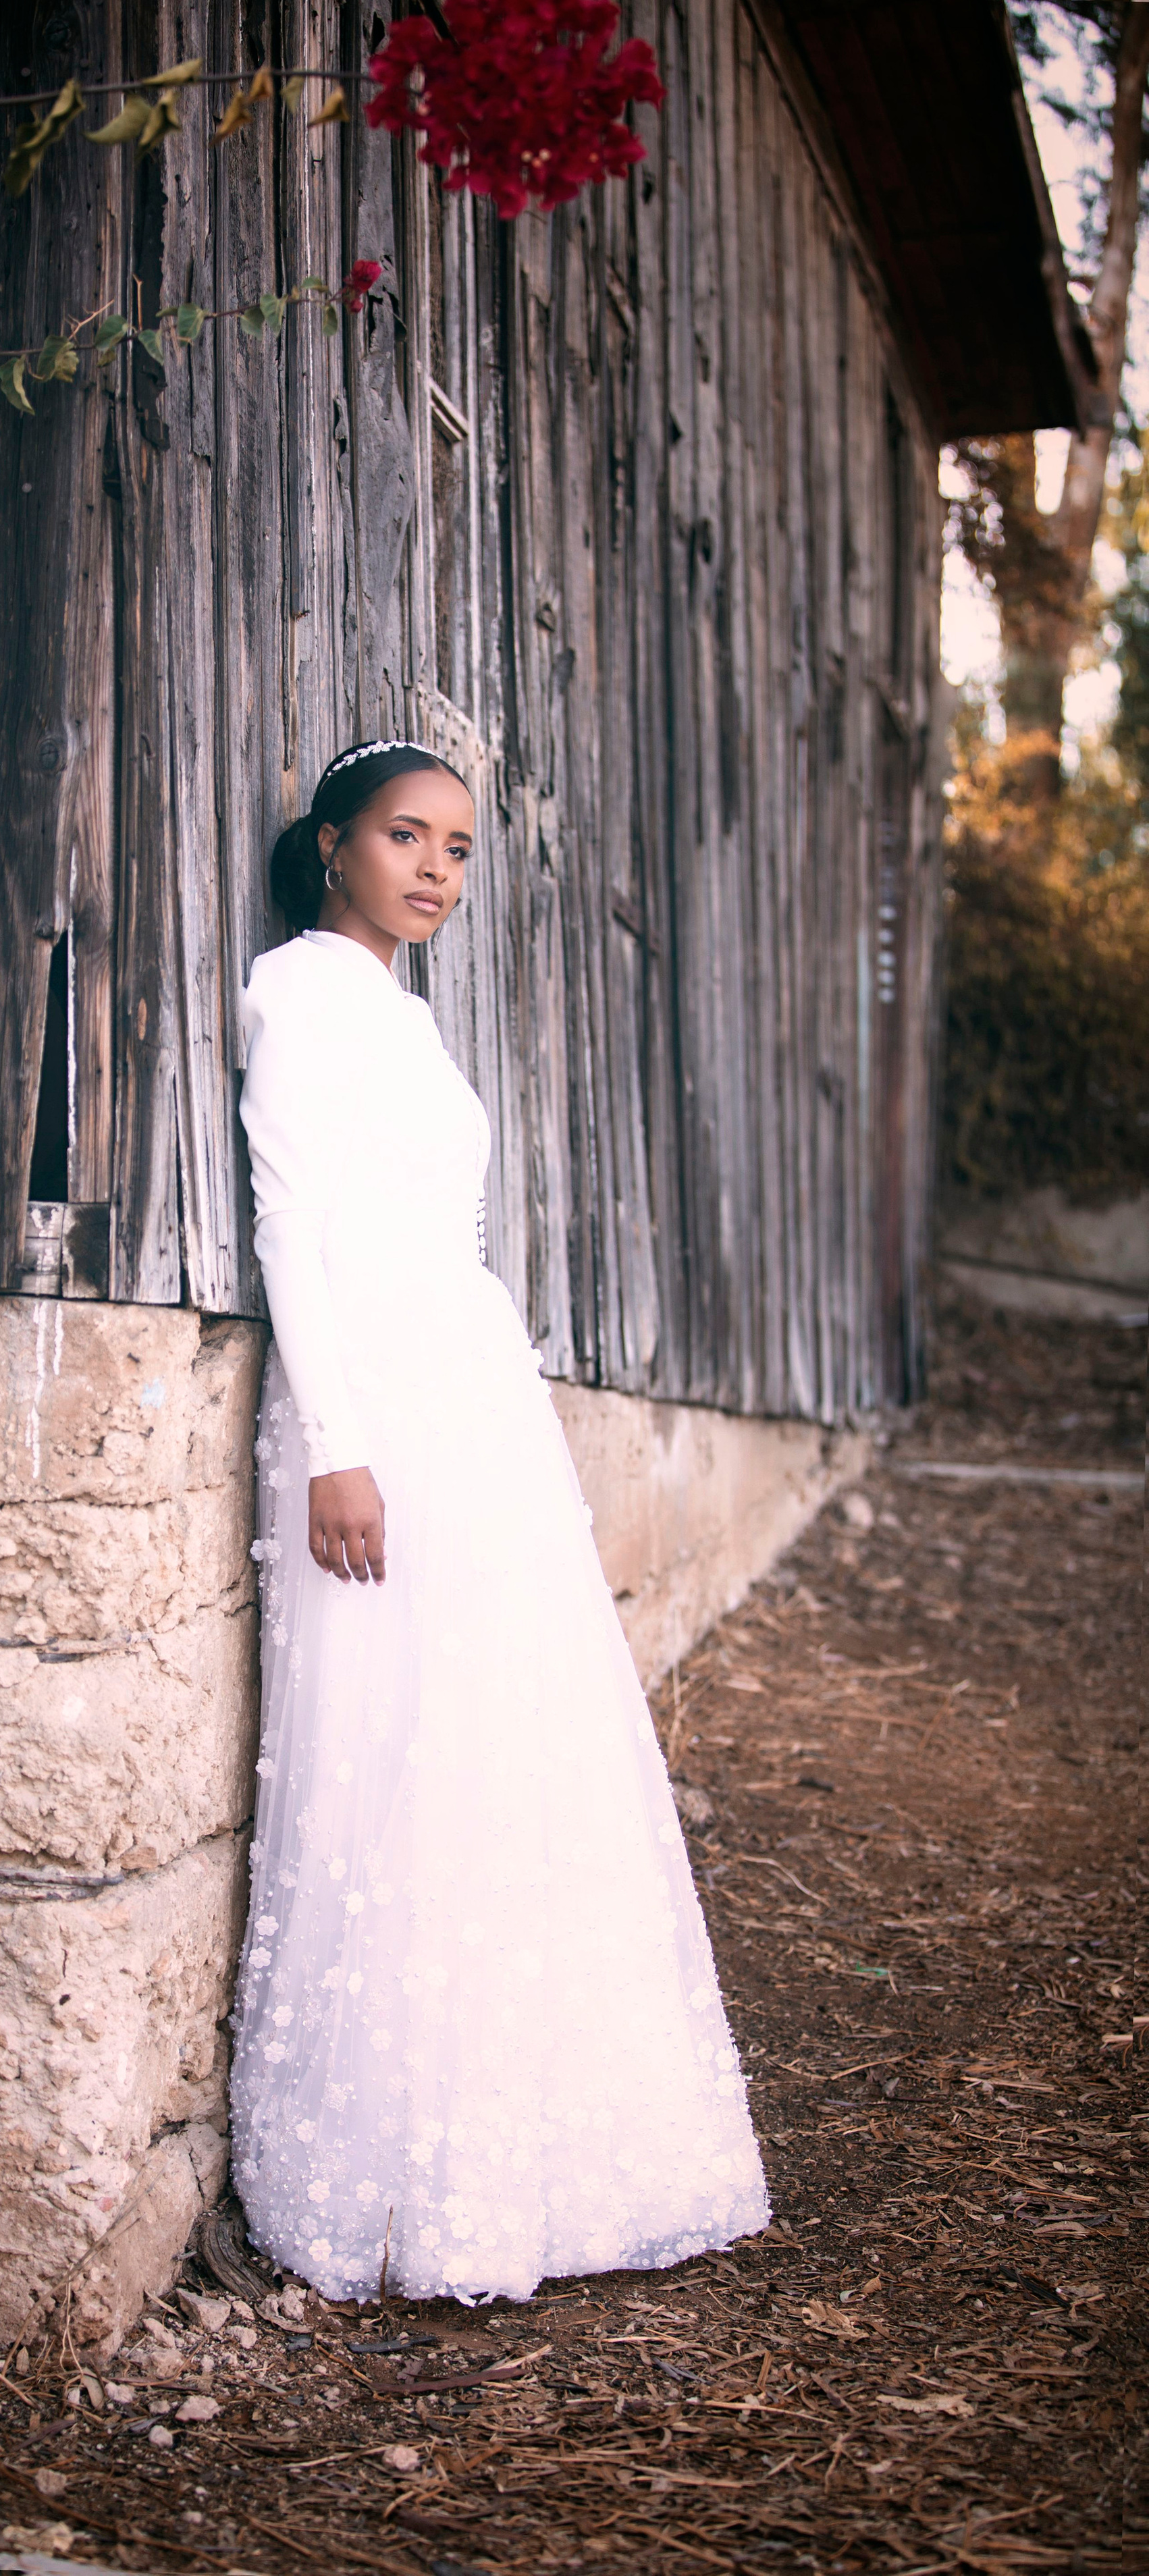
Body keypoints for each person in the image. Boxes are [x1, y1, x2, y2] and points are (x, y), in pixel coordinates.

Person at [228, 739, 770, 2304]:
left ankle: (527, 2136)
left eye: (457, 851)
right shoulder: (300, 995)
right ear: (332, 843)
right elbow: (290, 1226)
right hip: (378, 1408)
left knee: (496, 1741)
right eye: (406, 837)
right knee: (395, 1745)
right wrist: (336, 1445)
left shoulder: (398, 1014)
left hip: (469, 1394)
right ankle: (394, 2159)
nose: (434, 872)